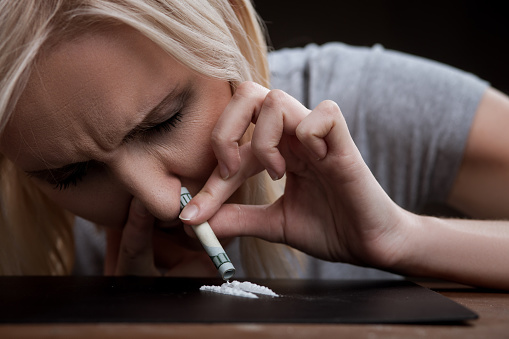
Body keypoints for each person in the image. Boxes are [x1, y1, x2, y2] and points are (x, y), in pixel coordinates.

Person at [1, 0, 508, 289]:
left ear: (231, 30)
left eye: (164, 122)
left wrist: (402, 238)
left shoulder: (369, 100)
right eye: (68, 174)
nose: (158, 201)